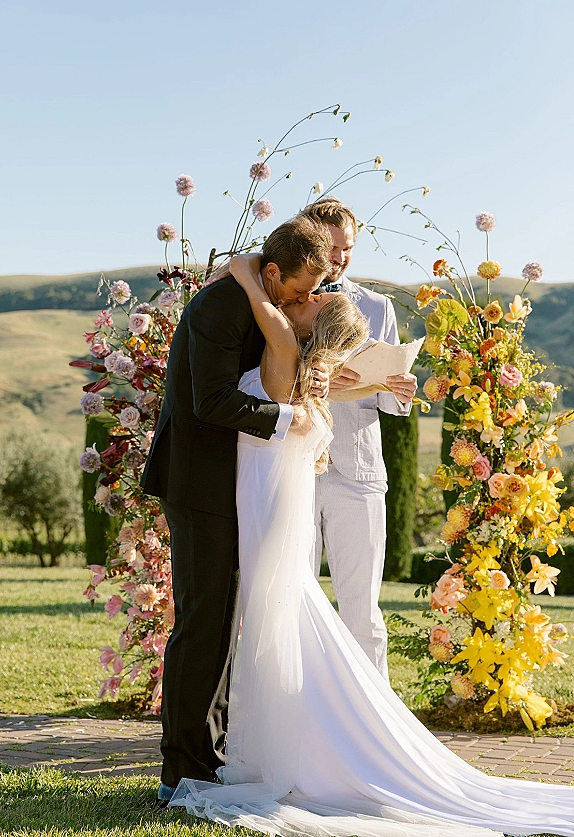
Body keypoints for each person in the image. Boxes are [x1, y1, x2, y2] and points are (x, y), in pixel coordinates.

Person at [167, 252, 574, 837]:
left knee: (264, 623)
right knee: (273, 622)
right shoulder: (308, 380)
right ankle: (273, 743)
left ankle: (274, 748)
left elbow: (264, 309)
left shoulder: (282, 345)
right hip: (270, 511)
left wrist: (242, 274)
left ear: (310, 330)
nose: (303, 300)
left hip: (260, 513)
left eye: (311, 303)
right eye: (310, 294)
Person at [140, 215, 333, 802]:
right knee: (203, 622)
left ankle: (211, 754)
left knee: (223, 622)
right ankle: (182, 769)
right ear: (272, 272)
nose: (306, 300)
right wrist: (287, 420)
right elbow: (211, 401)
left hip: (235, 484)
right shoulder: (217, 309)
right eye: (301, 290)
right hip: (198, 483)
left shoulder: (261, 299)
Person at [301, 197, 417, 678]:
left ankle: (375, 731)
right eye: (329, 246)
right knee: (295, 602)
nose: (339, 256)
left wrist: (402, 390)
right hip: (296, 468)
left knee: (363, 614)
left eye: (347, 247)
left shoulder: (377, 306)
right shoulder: (285, 302)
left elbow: (389, 404)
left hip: (360, 471)